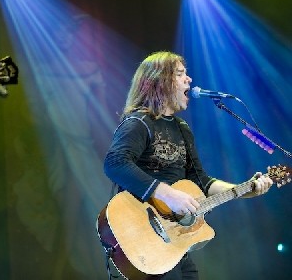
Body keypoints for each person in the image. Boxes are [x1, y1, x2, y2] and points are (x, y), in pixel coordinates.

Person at [103, 51, 273, 279]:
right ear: (160, 81)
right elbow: (115, 163)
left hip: (174, 245)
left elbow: (201, 181)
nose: (189, 80)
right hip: (144, 241)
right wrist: (169, 195)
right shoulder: (138, 123)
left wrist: (246, 189)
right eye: (181, 74)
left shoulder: (182, 128)